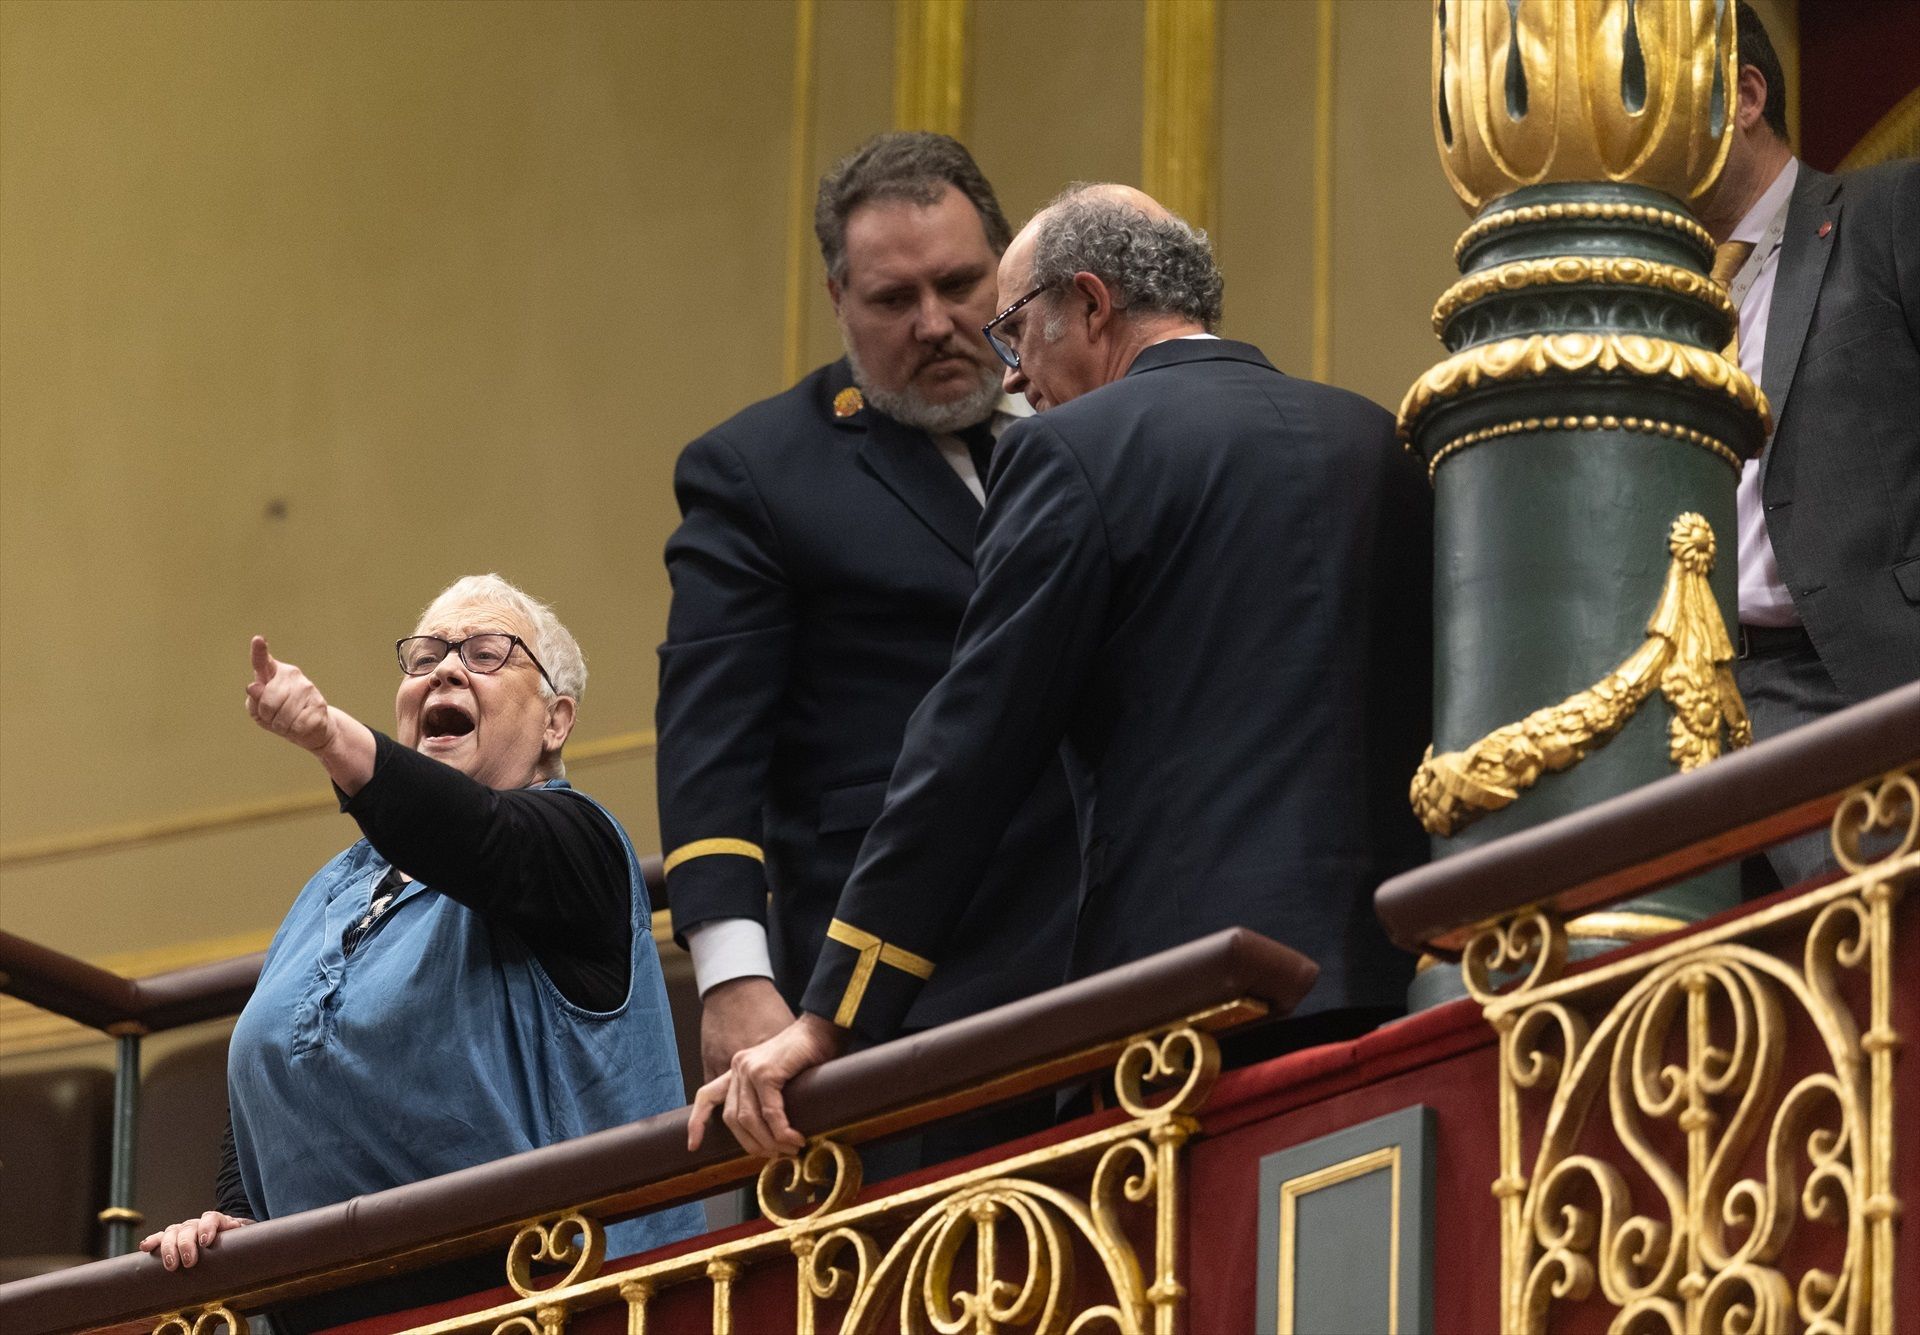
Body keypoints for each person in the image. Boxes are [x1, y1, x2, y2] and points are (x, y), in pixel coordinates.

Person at [692, 185, 1432, 1158]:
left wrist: (835, 1017)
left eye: (1015, 334)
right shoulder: (1376, 436)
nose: (1017, 380)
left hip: (1191, 1018)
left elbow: (967, 752)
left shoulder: (1070, 452)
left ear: (1087, 305)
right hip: (1402, 987)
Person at [141, 574, 702, 1323]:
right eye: (427, 654)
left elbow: (479, 839)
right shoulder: (327, 893)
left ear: (556, 721)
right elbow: (267, 1072)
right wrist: (238, 1219)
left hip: (549, 1303)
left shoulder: (579, 846)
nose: (445, 667)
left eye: (487, 652)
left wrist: (327, 733)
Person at [655, 133, 1080, 1107]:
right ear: (839, 301)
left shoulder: (1085, 429)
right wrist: (733, 974)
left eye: (962, 285)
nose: (936, 323)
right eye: (895, 300)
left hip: (1106, 939)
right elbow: (709, 744)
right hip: (907, 979)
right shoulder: (760, 472)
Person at [1699, 2, 1920, 890]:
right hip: (1695, 715)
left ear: (1747, 96)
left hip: (1855, 681)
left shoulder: (1887, 210)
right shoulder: (1667, 304)